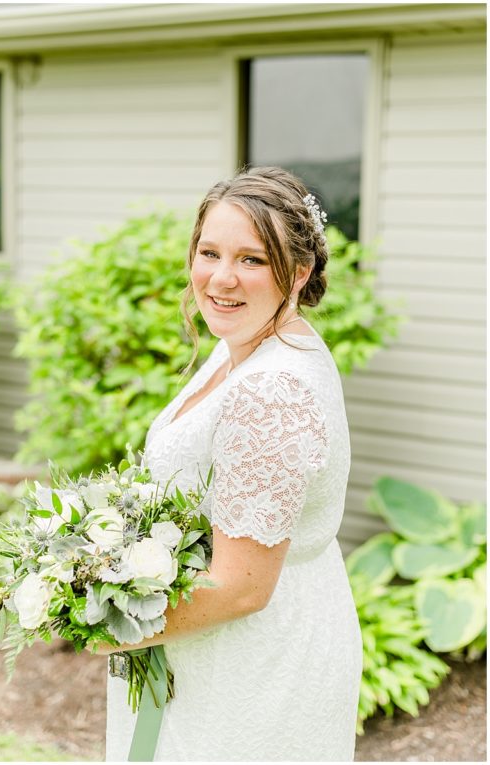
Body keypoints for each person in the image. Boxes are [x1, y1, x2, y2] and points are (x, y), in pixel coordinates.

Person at [103, 166, 362, 761]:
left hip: (252, 664)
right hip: (214, 647)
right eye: (210, 252)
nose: (221, 278)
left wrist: (101, 626)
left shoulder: (273, 388)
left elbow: (242, 587)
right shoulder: (245, 344)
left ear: (298, 272)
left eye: (251, 259)